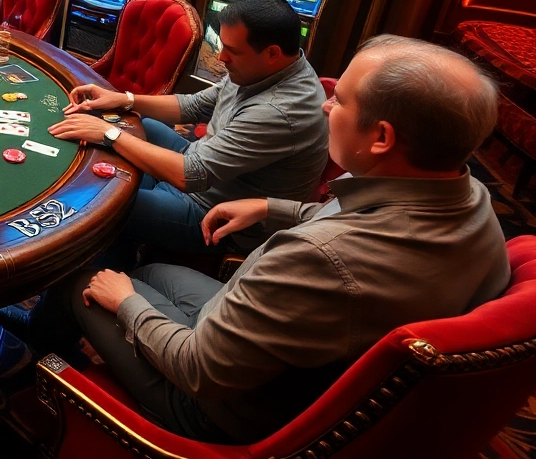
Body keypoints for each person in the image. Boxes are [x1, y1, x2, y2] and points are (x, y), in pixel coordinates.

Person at [60, 35, 509, 444]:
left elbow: (198, 371)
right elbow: (358, 215)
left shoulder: (320, 258)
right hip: (280, 346)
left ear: (382, 137)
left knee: (83, 281)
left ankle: (45, 382)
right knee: (151, 271)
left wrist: (126, 304)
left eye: (341, 101)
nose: (325, 106)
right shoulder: (469, 194)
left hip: (219, 405)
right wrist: (272, 207)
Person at [50, 0, 328, 259]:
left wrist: (108, 134)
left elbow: (190, 175)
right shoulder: (265, 68)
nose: (221, 58)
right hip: (204, 167)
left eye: (231, 51)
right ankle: (124, 241)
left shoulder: (279, 111)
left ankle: (82, 284)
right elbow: (193, 106)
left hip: (214, 214)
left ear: (272, 53)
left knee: (99, 204)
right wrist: (123, 99)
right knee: (140, 125)